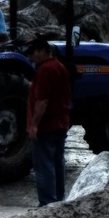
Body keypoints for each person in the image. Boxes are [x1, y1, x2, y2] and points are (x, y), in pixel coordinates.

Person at [26, 36, 71, 206]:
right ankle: (59, 200)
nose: (30, 58)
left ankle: (46, 204)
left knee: (44, 166)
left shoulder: (44, 70)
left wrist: (34, 124)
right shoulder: (60, 66)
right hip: (62, 123)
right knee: (58, 162)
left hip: (47, 126)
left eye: (32, 53)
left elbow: (42, 101)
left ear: (42, 51)